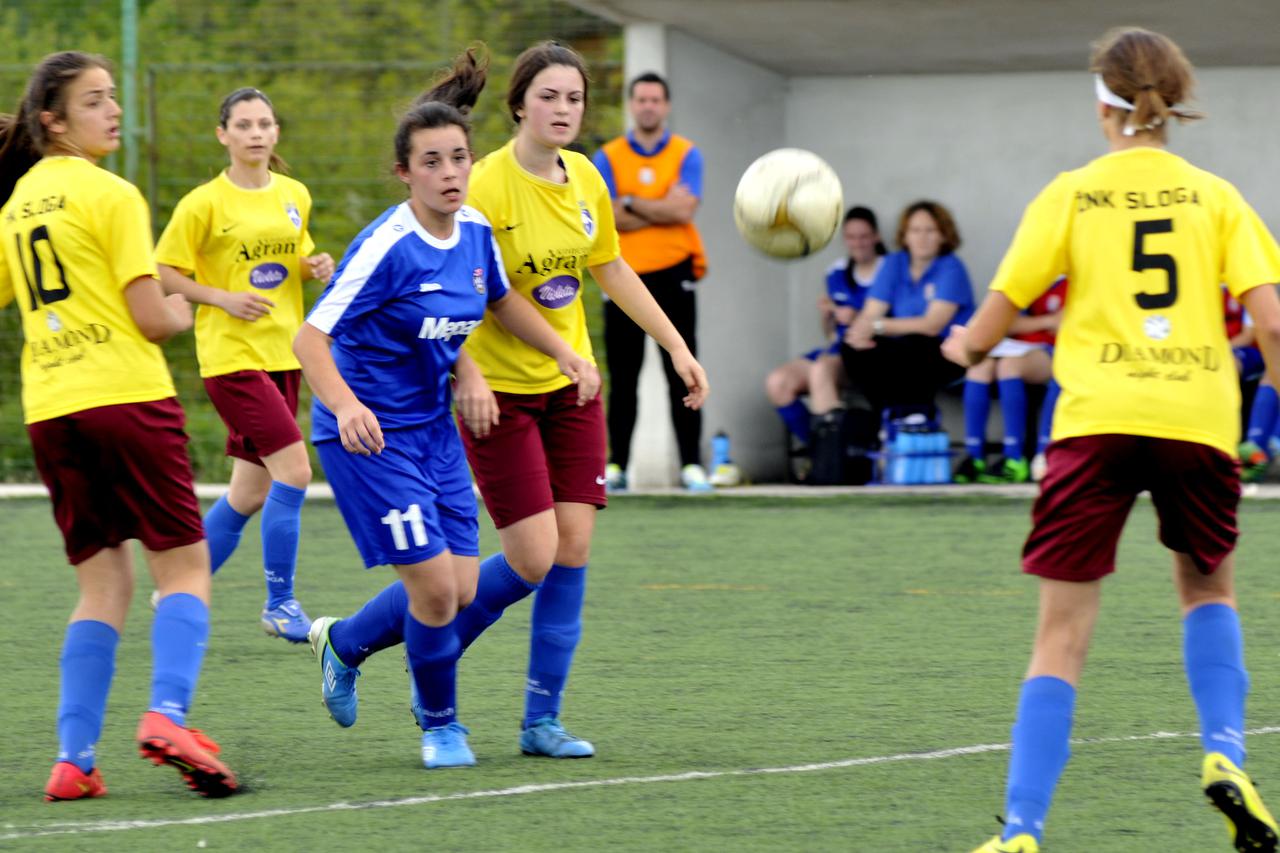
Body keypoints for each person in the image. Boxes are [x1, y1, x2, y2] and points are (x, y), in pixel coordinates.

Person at [942, 28, 1280, 853]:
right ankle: (1225, 754)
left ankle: (1022, 830)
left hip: (1094, 422)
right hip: (1196, 419)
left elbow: (991, 324)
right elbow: (1271, 319)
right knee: (1207, 593)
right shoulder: (1217, 197)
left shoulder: (1072, 193)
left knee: (1060, 635)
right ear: (1174, 101)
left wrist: (959, 348)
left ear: (1104, 103)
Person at [294, 49, 599, 768]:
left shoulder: (474, 236)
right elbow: (309, 339)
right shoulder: (388, 245)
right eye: (431, 162)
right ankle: (441, 725)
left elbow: (494, 301)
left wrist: (560, 353)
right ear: (405, 173)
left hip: (431, 429)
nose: (451, 173)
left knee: (461, 588)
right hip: (368, 435)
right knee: (435, 590)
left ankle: (344, 643)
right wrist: (344, 405)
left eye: (458, 157)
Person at [454, 41, 706, 757]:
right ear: (518, 104)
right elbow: (476, 295)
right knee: (530, 555)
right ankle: (429, 646)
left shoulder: (588, 176)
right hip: (499, 391)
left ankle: (542, 720)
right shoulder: (484, 185)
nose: (564, 110)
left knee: (573, 548)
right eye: (549, 97)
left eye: (574, 98)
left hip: (574, 386)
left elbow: (613, 267)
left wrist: (677, 347)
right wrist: (467, 369)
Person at [0, 51, 236, 801]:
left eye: (112, 97)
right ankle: (167, 714)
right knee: (186, 566)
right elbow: (149, 316)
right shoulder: (112, 193)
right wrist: (189, 305)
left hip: (52, 411)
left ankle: (74, 758)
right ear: (54, 120)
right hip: (125, 397)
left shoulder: (14, 207)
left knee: (102, 586)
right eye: (95, 100)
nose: (114, 110)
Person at [155, 88, 334, 643]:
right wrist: (222, 297)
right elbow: (163, 273)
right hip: (233, 360)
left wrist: (314, 266)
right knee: (296, 472)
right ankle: (280, 603)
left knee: (250, 493)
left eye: (264, 123)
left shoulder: (293, 194)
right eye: (244, 124)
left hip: (285, 354)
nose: (256, 133)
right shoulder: (203, 203)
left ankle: (178, 587)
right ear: (223, 135)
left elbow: (291, 261)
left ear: (275, 132)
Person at [592, 72, 709, 491]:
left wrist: (630, 202)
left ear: (666, 105)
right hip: (624, 276)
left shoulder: (685, 154)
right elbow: (608, 218)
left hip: (675, 272)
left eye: (655, 99)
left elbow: (683, 212)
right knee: (624, 376)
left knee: (683, 367)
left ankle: (693, 465)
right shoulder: (608, 156)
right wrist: (657, 204)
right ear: (631, 104)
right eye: (640, 99)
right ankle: (619, 465)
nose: (648, 106)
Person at [841, 200, 974, 440]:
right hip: (904, 349)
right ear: (905, 235)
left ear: (944, 235)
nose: (922, 238)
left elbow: (932, 325)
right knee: (851, 349)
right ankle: (891, 416)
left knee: (915, 345)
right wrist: (858, 333)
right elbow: (871, 312)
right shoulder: (895, 263)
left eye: (930, 230)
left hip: (945, 351)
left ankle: (912, 418)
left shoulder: (951, 267)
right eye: (915, 230)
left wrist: (878, 326)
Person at [764, 206, 885, 447]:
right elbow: (830, 334)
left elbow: (898, 316)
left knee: (821, 370)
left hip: (869, 354)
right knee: (777, 382)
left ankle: (831, 456)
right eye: (851, 237)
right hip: (837, 350)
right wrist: (828, 316)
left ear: (876, 237)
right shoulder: (837, 272)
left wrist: (858, 317)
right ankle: (821, 450)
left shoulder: (889, 269)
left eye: (863, 236)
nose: (858, 243)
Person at [954, 277, 1066, 484]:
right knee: (978, 367)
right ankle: (974, 456)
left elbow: (1069, 324)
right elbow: (1001, 322)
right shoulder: (1027, 276)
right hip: (1015, 347)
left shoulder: (1073, 279)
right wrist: (1047, 321)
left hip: (1055, 352)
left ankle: (1015, 458)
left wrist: (1027, 325)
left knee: (1009, 366)